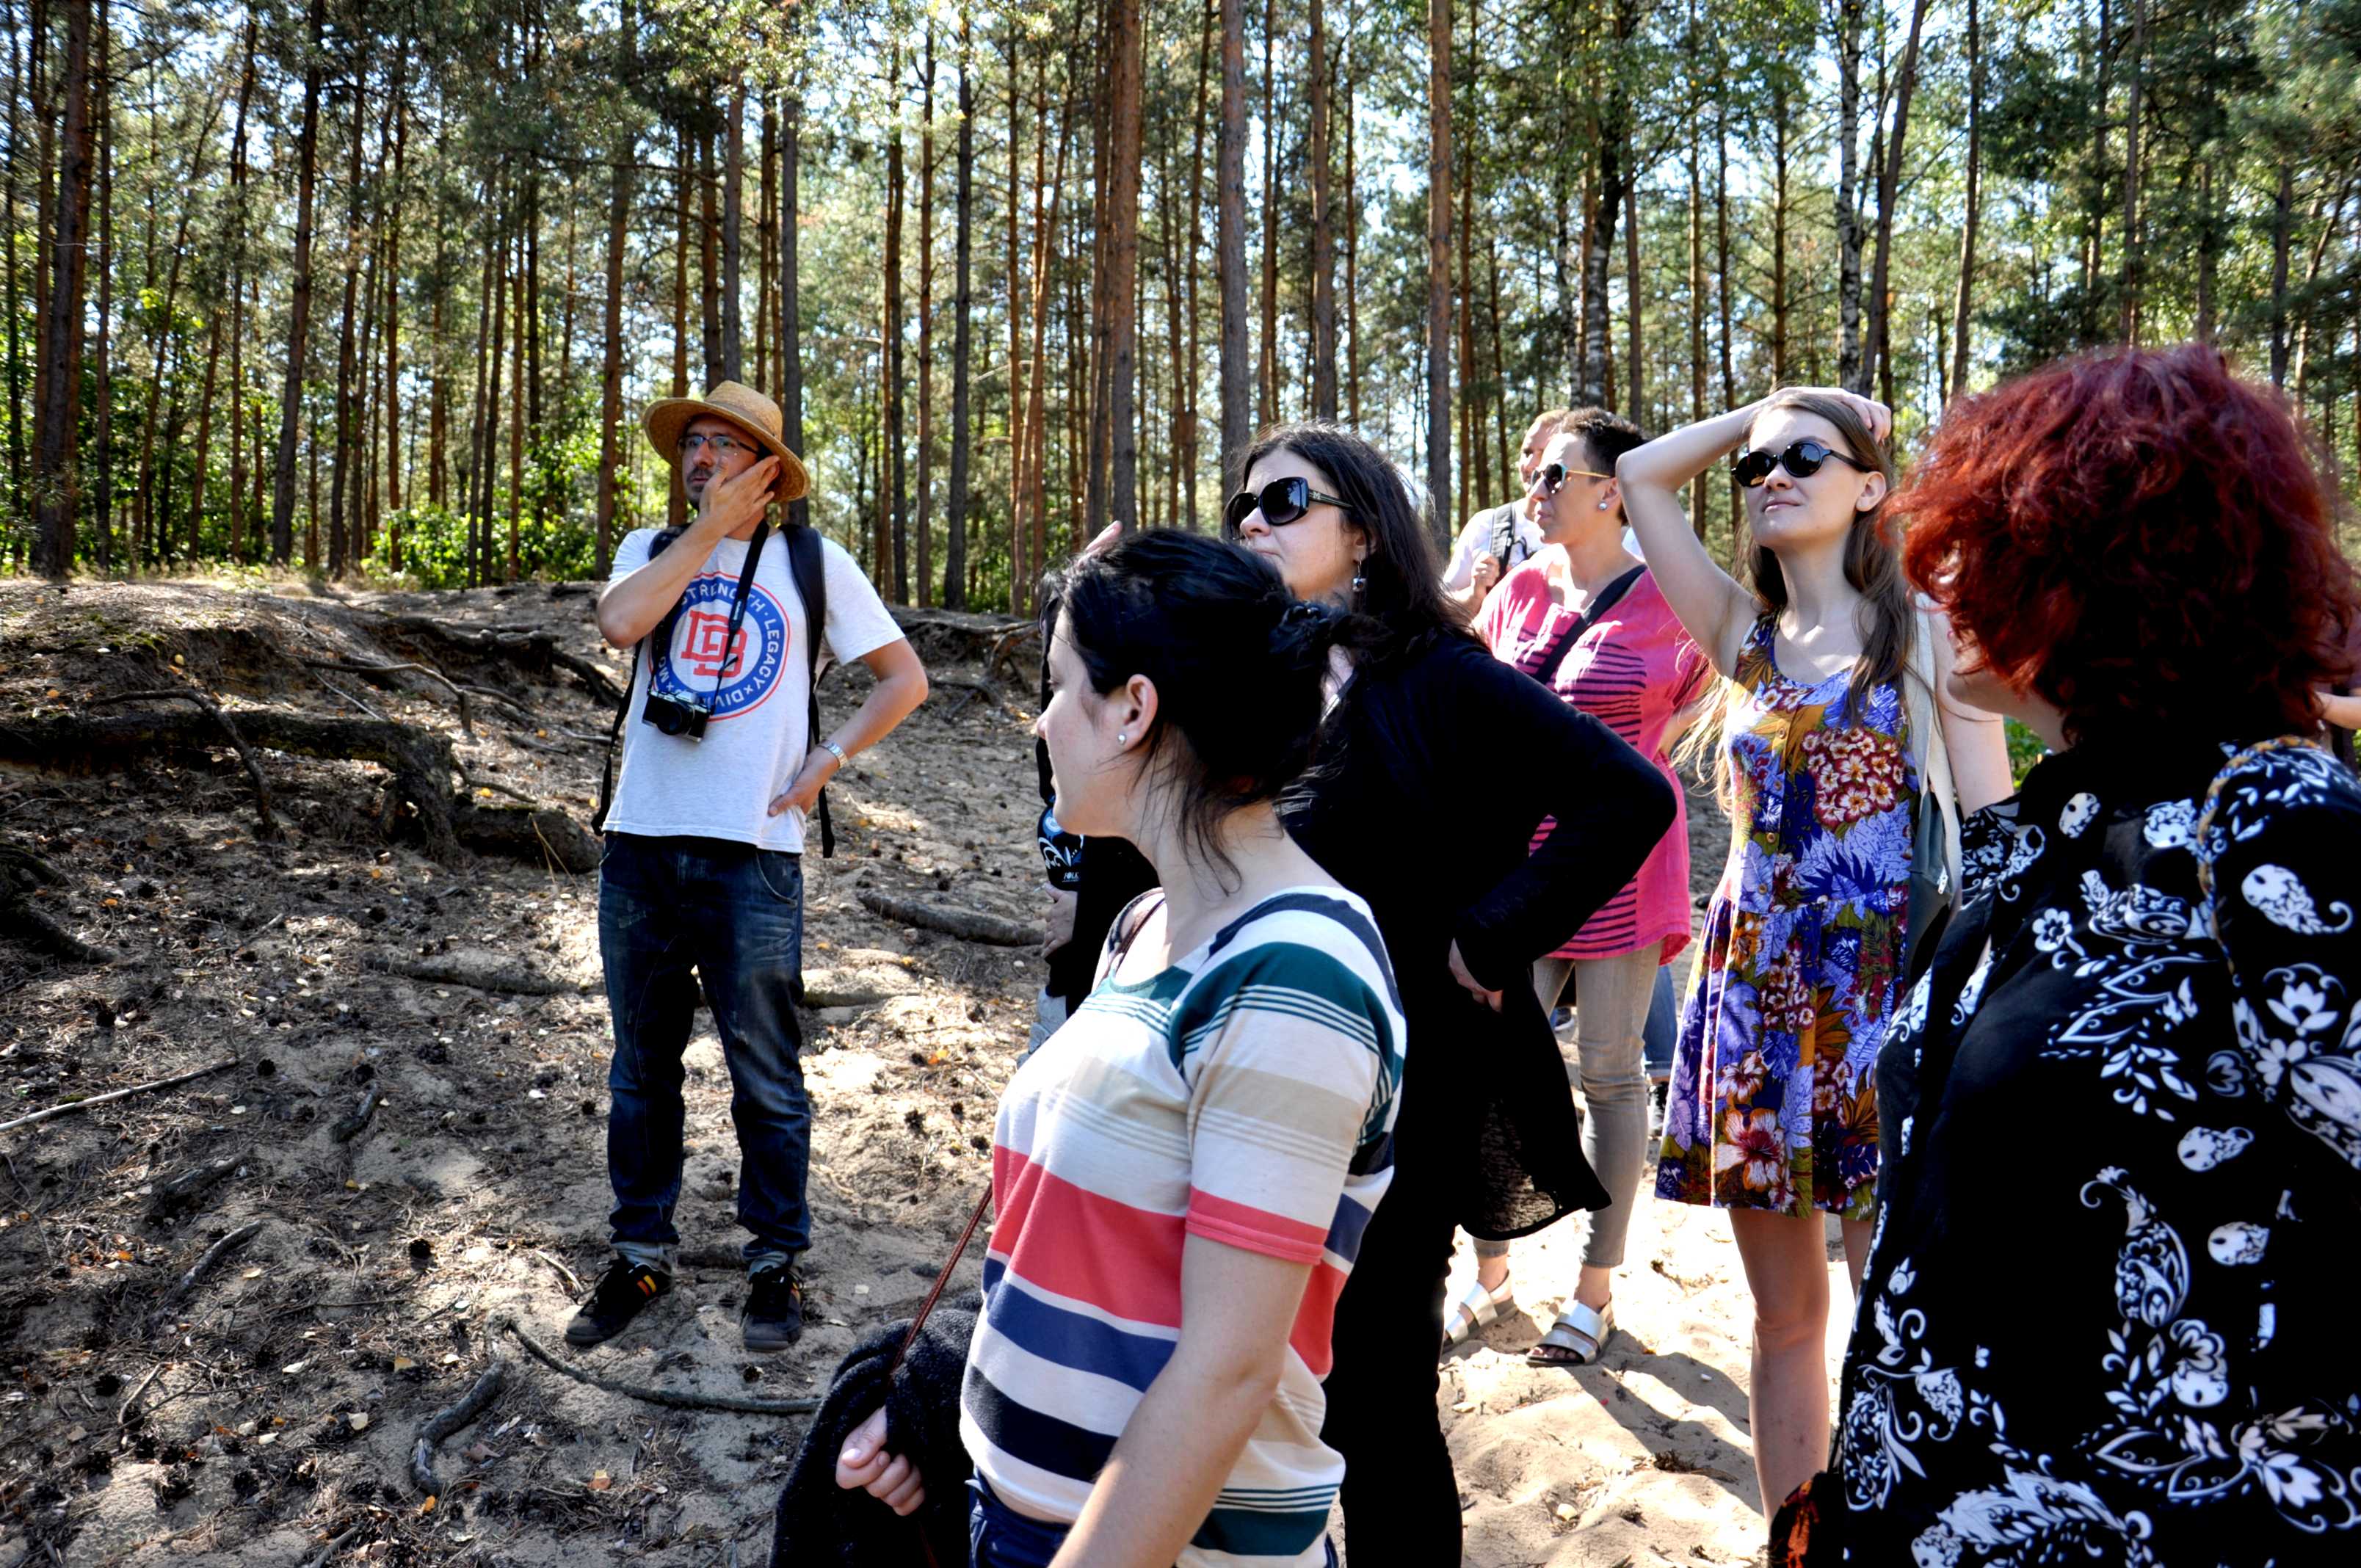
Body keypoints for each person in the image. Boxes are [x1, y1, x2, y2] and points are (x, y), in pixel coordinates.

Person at [1783, 345, 2361, 1564]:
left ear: (2098, 568)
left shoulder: (2269, 824)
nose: (1933, 582)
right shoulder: (2045, 836)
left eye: (1978, 548)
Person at [835, 531, 1407, 1567]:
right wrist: (939, 1415)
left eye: (1060, 686)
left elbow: (1228, 1373)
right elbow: (1076, 1251)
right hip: (1022, 1521)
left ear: (1135, 709)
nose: (1042, 720)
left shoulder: (1295, 976)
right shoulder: (1143, 927)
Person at [1230, 421, 1675, 1562]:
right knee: (1256, 1380)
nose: (1253, 522)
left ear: (1365, 534)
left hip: (1404, 1090)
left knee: (1378, 1397)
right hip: (1256, 1081)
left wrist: (1492, 933)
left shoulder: (1442, 675)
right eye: (1243, 505)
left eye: (1285, 501)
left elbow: (1628, 797)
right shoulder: (1250, 678)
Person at [1618, 388, 2012, 1515]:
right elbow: (1642, 476)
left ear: (1871, 486)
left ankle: (1902, 1529)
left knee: (1897, 1305)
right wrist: (1768, 411)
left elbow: (1996, 841)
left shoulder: (1924, 632)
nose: (1773, 476)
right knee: (1785, 1317)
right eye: (1757, 466)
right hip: (1753, 995)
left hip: (1885, 993)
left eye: (1805, 456)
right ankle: (1797, 1544)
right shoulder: (1744, 639)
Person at [568, 381, 929, 1353]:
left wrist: (829, 759)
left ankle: (774, 1263)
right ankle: (640, 1253)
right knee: (641, 1071)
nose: (701, 457)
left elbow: (905, 679)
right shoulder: (650, 549)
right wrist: (705, 534)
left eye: (724, 445)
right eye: (693, 442)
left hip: (754, 857)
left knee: (765, 1074)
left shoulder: (814, 563)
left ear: (768, 470)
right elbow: (620, 625)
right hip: (641, 846)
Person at [1457, 408, 1711, 1365]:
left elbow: (1700, 701)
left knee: (1608, 1076)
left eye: (1557, 475)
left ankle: (1593, 1293)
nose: (1536, 489)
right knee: (1488, 1071)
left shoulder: (1672, 598)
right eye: (1537, 474)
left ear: (1614, 490)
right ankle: (1490, 1276)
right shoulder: (1517, 590)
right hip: (1518, 872)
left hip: (1626, 872)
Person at [1439, 408, 1559, 618]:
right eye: (1527, 452)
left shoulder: (1583, 536)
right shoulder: (1487, 525)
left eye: (1543, 453)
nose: (1529, 464)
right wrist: (1474, 595)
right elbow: (1440, 609)